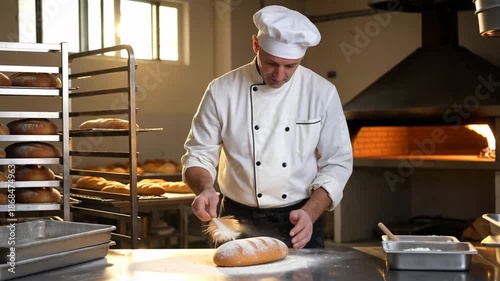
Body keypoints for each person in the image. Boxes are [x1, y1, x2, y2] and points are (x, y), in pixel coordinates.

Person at [181, 5, 353, 250]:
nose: (280, 75)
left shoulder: (321, 92)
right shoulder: (221, 90)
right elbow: (198, 154)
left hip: (299, 219)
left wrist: (311, 213)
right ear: (255, 45)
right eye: (271, 63)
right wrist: (205, 189)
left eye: (291, 66)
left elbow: (338, 162)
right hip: (235, 220)